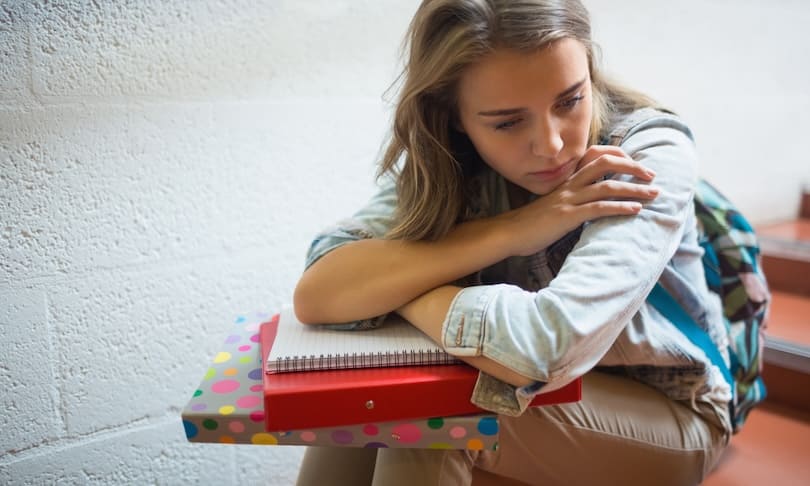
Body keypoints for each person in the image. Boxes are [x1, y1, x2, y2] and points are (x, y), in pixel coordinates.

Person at [292, 1, 731, 484]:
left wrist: (405, 291)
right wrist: (517, 228)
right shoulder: (446, 161)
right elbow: (319, 291)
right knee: (361, 405)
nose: (552, 145)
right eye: (507, 123)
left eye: (570, 101)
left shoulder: (648, 154)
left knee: (435, 419)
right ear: (454, 116)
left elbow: (544, 348)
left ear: (589, 66)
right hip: (539, 399)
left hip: (673, 414)